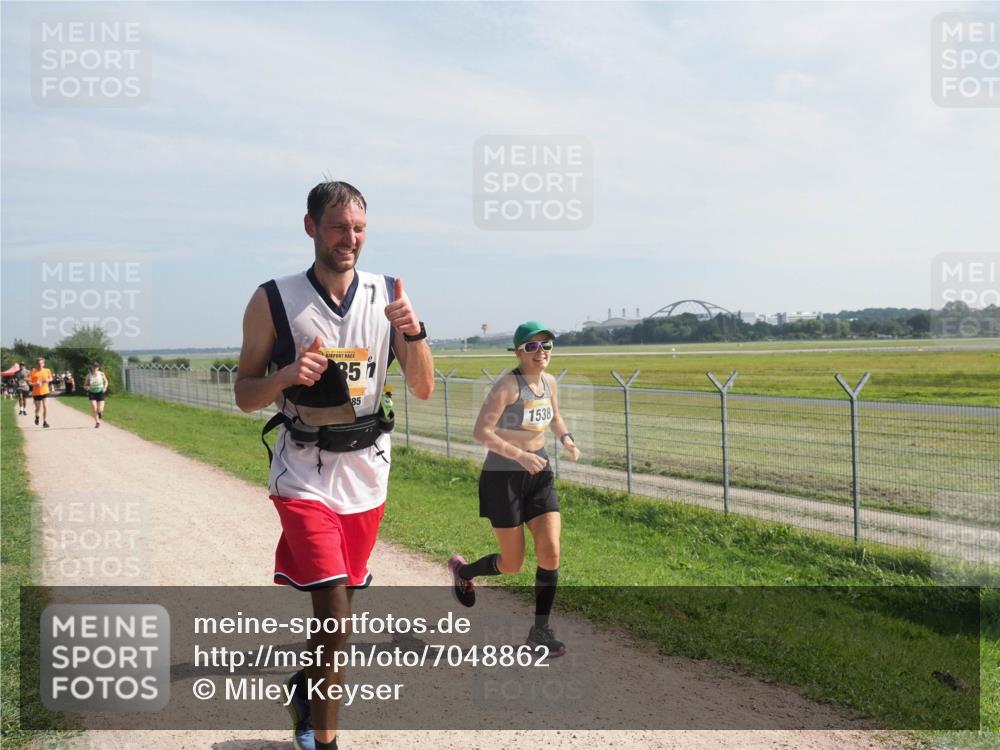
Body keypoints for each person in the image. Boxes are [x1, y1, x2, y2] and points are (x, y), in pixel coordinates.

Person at [234, 181, 434, 750]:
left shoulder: (389, 292)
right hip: (303, 472)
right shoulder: (273, 298)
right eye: (339, 227)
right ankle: (326, 743)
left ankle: (305, 689)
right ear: (311, 227)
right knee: (335, 615)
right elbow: (246, 395)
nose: (351, 239)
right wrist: (285, 375)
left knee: (341, 606)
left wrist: (413, 331)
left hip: (368, 473)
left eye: (360, 229)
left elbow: (421, 388)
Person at [448, 322, 581, 657]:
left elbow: (555, 417)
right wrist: (519, 455)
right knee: (512, 563)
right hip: (503, 474)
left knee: (550, 550)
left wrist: (566, 439)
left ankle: (540, 630)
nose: (542, 352)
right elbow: (481, 431)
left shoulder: (549, 382)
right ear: (519, 351)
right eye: (533, 346)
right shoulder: (506, 386)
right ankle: (463, 572)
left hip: (539, 472)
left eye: (546, 345)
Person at [28, 357, 53, 428]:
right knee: (38, 408)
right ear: (36, 364)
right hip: (36, 393)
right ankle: (37, 417)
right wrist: (35, 383)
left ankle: (45, 422)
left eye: (41, 363)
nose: (40, 365)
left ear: (44, 364)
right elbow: (29, 382)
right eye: (38, 363)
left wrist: (48, 380)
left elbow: (51, 378)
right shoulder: (33, 372)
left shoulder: (47, 370)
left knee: (45, 407)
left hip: (45, 391)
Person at [84, 362, 109, 427]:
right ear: (91, 367)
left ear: (98, 367)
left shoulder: (101, 374)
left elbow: (106, 381)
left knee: (100, 409)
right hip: (92, 392)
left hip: (100, 392)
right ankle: (97, 422)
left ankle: (100, 413)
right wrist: (87, 387)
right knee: (94, 407)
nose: (95, 368)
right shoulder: (88, 375)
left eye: (96, 367)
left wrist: (105, 387)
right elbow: (85, 385)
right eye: (94, 366)